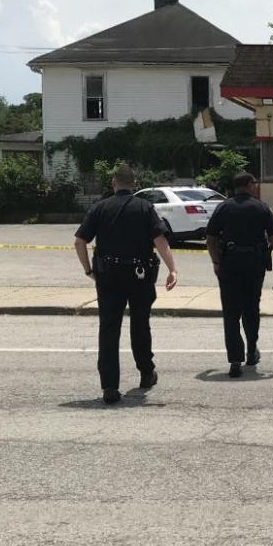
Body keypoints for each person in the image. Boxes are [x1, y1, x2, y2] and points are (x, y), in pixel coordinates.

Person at [73, 164, 178, 404]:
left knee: (109, 329)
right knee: (140, 325)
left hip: (108, 276)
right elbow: (160, 240)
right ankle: (145, 373)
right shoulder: (144, 207)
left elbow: (80, 241)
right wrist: (172, 269)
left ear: (113, 183)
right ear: (134, 184)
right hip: (139, 275)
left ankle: (110, 387)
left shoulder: (100, 208)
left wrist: (89, 270)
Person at [206, 172, 273, 378]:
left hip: (229, 264)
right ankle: (251, 350)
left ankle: (235, 360)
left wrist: (216, 262)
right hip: (254, 264)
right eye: (254, 183)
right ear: (248, 185)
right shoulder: (261, 207)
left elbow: (210, 237)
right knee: (251, 308)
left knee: (231, 311)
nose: (256, 186)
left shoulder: (223, 207)